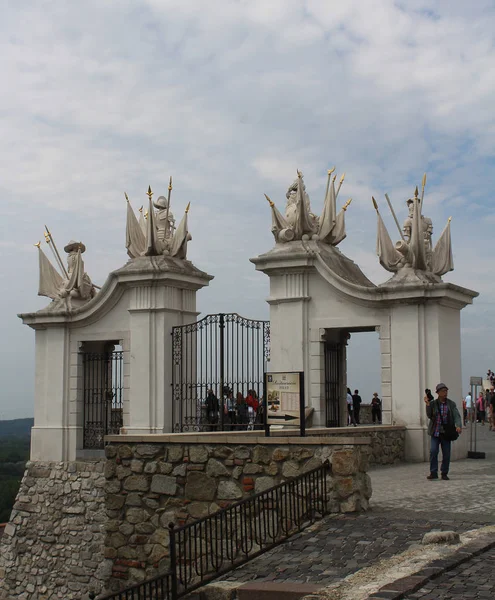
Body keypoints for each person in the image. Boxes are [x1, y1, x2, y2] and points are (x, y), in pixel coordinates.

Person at [424, 383, 462, 480]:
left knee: (446, 453)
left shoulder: (451, 404)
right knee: (433, 451)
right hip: (435, 432)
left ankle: (444, 472)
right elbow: (429, 415)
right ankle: (433, 472)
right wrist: (428, 405)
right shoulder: (433, 403)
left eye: (446, 391)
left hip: (446, 432)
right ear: (438, 393)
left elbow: (456, 415)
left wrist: (458, 425)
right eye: (443, 391)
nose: (445, 393)